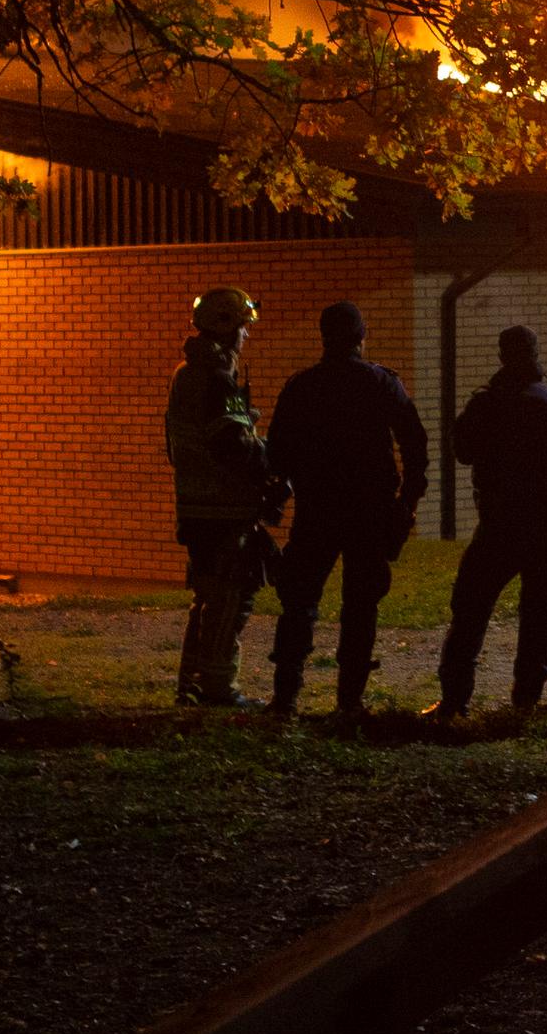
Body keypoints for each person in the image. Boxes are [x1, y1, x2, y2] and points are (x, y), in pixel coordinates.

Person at [263, 299, 429, 717]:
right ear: (362, 335)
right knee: (361, 605)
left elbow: (277, 453)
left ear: (324, 336)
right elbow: (414, 442)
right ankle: (349, 701)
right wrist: (406, 500)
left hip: (317, 509)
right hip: (368, 512)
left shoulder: (302, 386)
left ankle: (285, 698)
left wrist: (281, 491)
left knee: (299, 602)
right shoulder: (381, 383)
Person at [436, 323, 547, 721]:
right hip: (546, 521)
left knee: (471, 605)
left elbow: (462, 449)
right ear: (535, 355)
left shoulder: (488, 403)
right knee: (538, 608)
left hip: (500, 520)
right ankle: (527, 698)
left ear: (502, 356)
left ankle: (455, 699)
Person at [163, 286, 278, 707]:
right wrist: (273, 456)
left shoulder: (188, 372)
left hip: (197, 506)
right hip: (222, 509)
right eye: (244, 327)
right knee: (231, 597)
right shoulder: (215, 377)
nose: (247, 336)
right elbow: (233, 443)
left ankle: (191, 683)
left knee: (208, 597)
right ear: (227, 328)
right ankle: (217, 688)